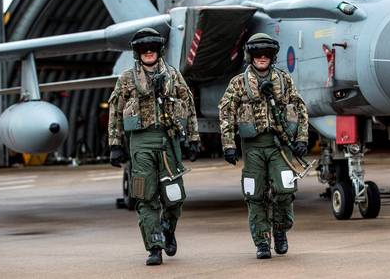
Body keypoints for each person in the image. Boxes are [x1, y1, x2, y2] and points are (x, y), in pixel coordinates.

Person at [108, 28, 201, 266]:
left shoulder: (173, 76)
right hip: (141, 144)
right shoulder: (127, 79)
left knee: (174, 197)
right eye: (143, 49)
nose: (148, 52)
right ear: (137, 53)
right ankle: (154, 246)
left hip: (169, 142)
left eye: (152, 48)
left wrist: (193, 139)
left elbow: (188, 106)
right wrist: (115, 144)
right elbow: (115, 111)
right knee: (144, 197)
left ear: (158, 50)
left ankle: (168, 228)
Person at [218, 33, 309, 259]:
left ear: (272, 56)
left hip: (280, 147)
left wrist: (301, 139)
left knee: (285, 190)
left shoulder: (284, 80)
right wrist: (228, 145)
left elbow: (300, 107)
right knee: (254, 194)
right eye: (257, 54)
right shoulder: (239, 83)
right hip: (254, 148)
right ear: (251, 56)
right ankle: (261, 242)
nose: (261, 57)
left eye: (266, 53)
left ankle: (280, 231)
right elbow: (226, 112)